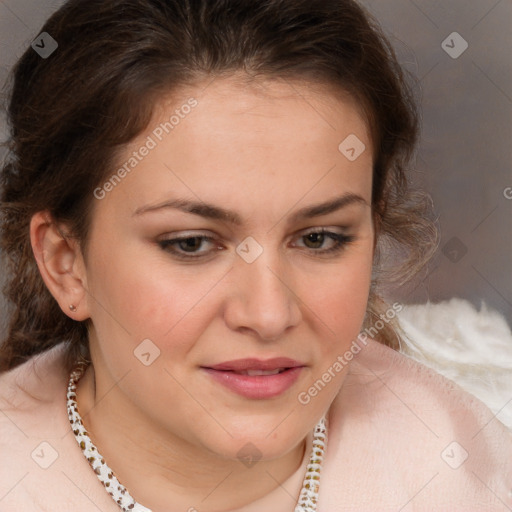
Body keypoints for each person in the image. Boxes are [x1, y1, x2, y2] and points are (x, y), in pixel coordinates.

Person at [0, 0, 510, 510]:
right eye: (192, 243)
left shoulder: (466, 474)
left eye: (319, 238)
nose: (269, 315)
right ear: (66, 263)